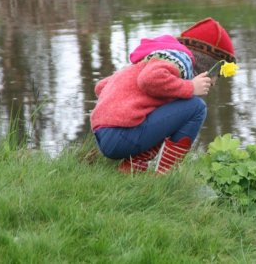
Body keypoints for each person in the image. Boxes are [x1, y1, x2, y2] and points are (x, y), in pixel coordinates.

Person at [90, 17, 237, 174]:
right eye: (218, 74)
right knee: (196, 107)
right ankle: (165, 175)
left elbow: (101, 86)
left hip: (103, 135)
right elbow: (148, 79)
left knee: (169, 104)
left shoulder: (157, 57)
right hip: (120, 136)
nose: (214, 83)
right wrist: (190, 87)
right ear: (208, 64)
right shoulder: (182, 60)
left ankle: (134, 164)